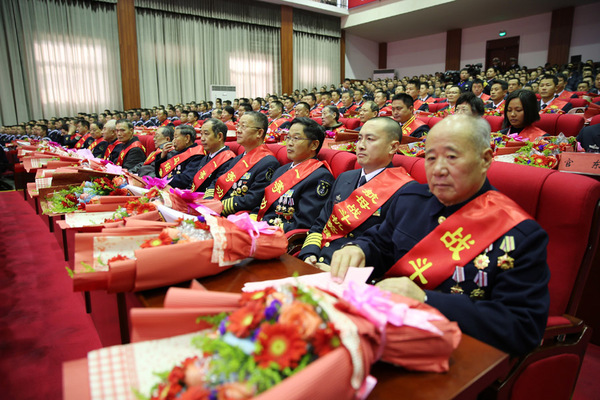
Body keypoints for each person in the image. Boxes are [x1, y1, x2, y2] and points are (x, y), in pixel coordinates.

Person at [329, 115, 550, 356]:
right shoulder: (410, 200)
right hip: (384, 333)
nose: (439, 169)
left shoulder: (519, 234)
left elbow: (522, 327)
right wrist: (358, 249)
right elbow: (379, 244)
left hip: (455, 354)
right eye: (431, 158)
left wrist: (425, 299)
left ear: (485, 159)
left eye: (452, 157)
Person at [299, 117, 414, 268]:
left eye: (370, 139)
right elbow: (320, 224)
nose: (360, 145)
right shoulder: (345, 178)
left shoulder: (405, 190)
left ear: (393, 147)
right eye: (359, 138)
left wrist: (341, 271)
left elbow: (390, 250)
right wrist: (310, 254)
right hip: (316, 262)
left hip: (352, 275)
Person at [253, 117, 334, 232]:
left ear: (314, 145)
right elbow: (264, 204)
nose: (289, 143)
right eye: (288, 137)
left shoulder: (319, 177)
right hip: (263, 227)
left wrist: (265, 227)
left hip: (283, 236)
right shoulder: (281, 170)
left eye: (296, 138)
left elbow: (303, 222)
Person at [204, 111, 279, 216]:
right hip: (215, 209)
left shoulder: (268, 162)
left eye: (243, 127)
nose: (238, 131)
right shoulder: (238, 158)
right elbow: (217, 181)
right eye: (238, 126)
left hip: (236, 216)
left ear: (259, 133)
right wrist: (208, 200)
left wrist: (217, 206)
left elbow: (253, 199)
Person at [191, 119, 236, 193]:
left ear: (219, 136)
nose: (202, 139)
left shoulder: (229, 160)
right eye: (201, 134)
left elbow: (216, 189)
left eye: (206, 134)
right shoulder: (206, 157)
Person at [154, 124, 204, 189]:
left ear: (187, 138)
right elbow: (160, 174)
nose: (173, 141)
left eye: (176, 137)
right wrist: (163, 157)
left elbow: (185, 179)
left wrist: (163, 182)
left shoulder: (196, 155)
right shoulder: (177, 152)